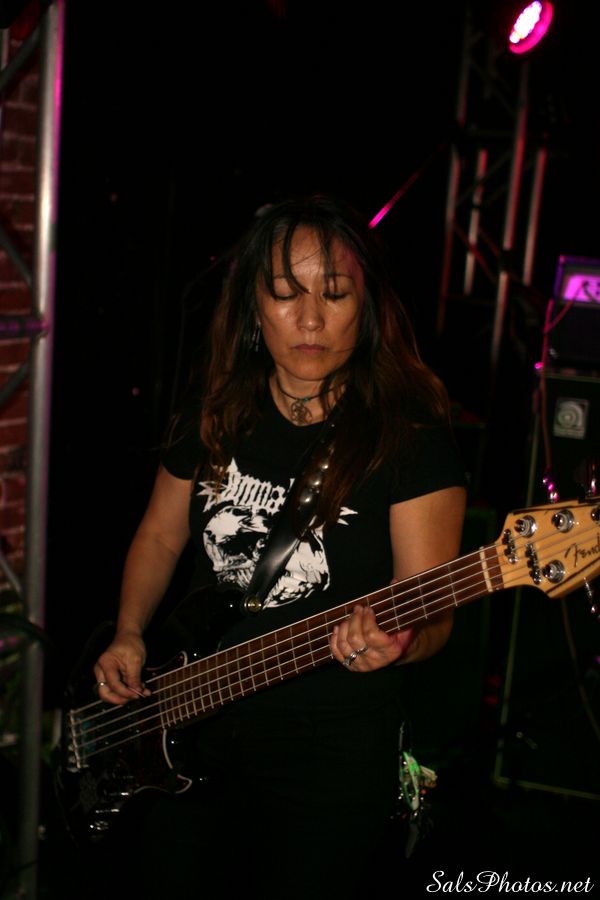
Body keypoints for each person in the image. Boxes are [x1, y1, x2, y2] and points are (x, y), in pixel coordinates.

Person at [92, 193, 467, 899]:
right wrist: (130, 631)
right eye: (286, 294)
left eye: (335, 293)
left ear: (367, 307)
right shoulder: (215, 411)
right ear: (253, 309)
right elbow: (161, 533)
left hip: (328, 758)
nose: (311, 319)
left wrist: (402, 642)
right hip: (191, 730)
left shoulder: (410, 439)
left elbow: (434, 611)